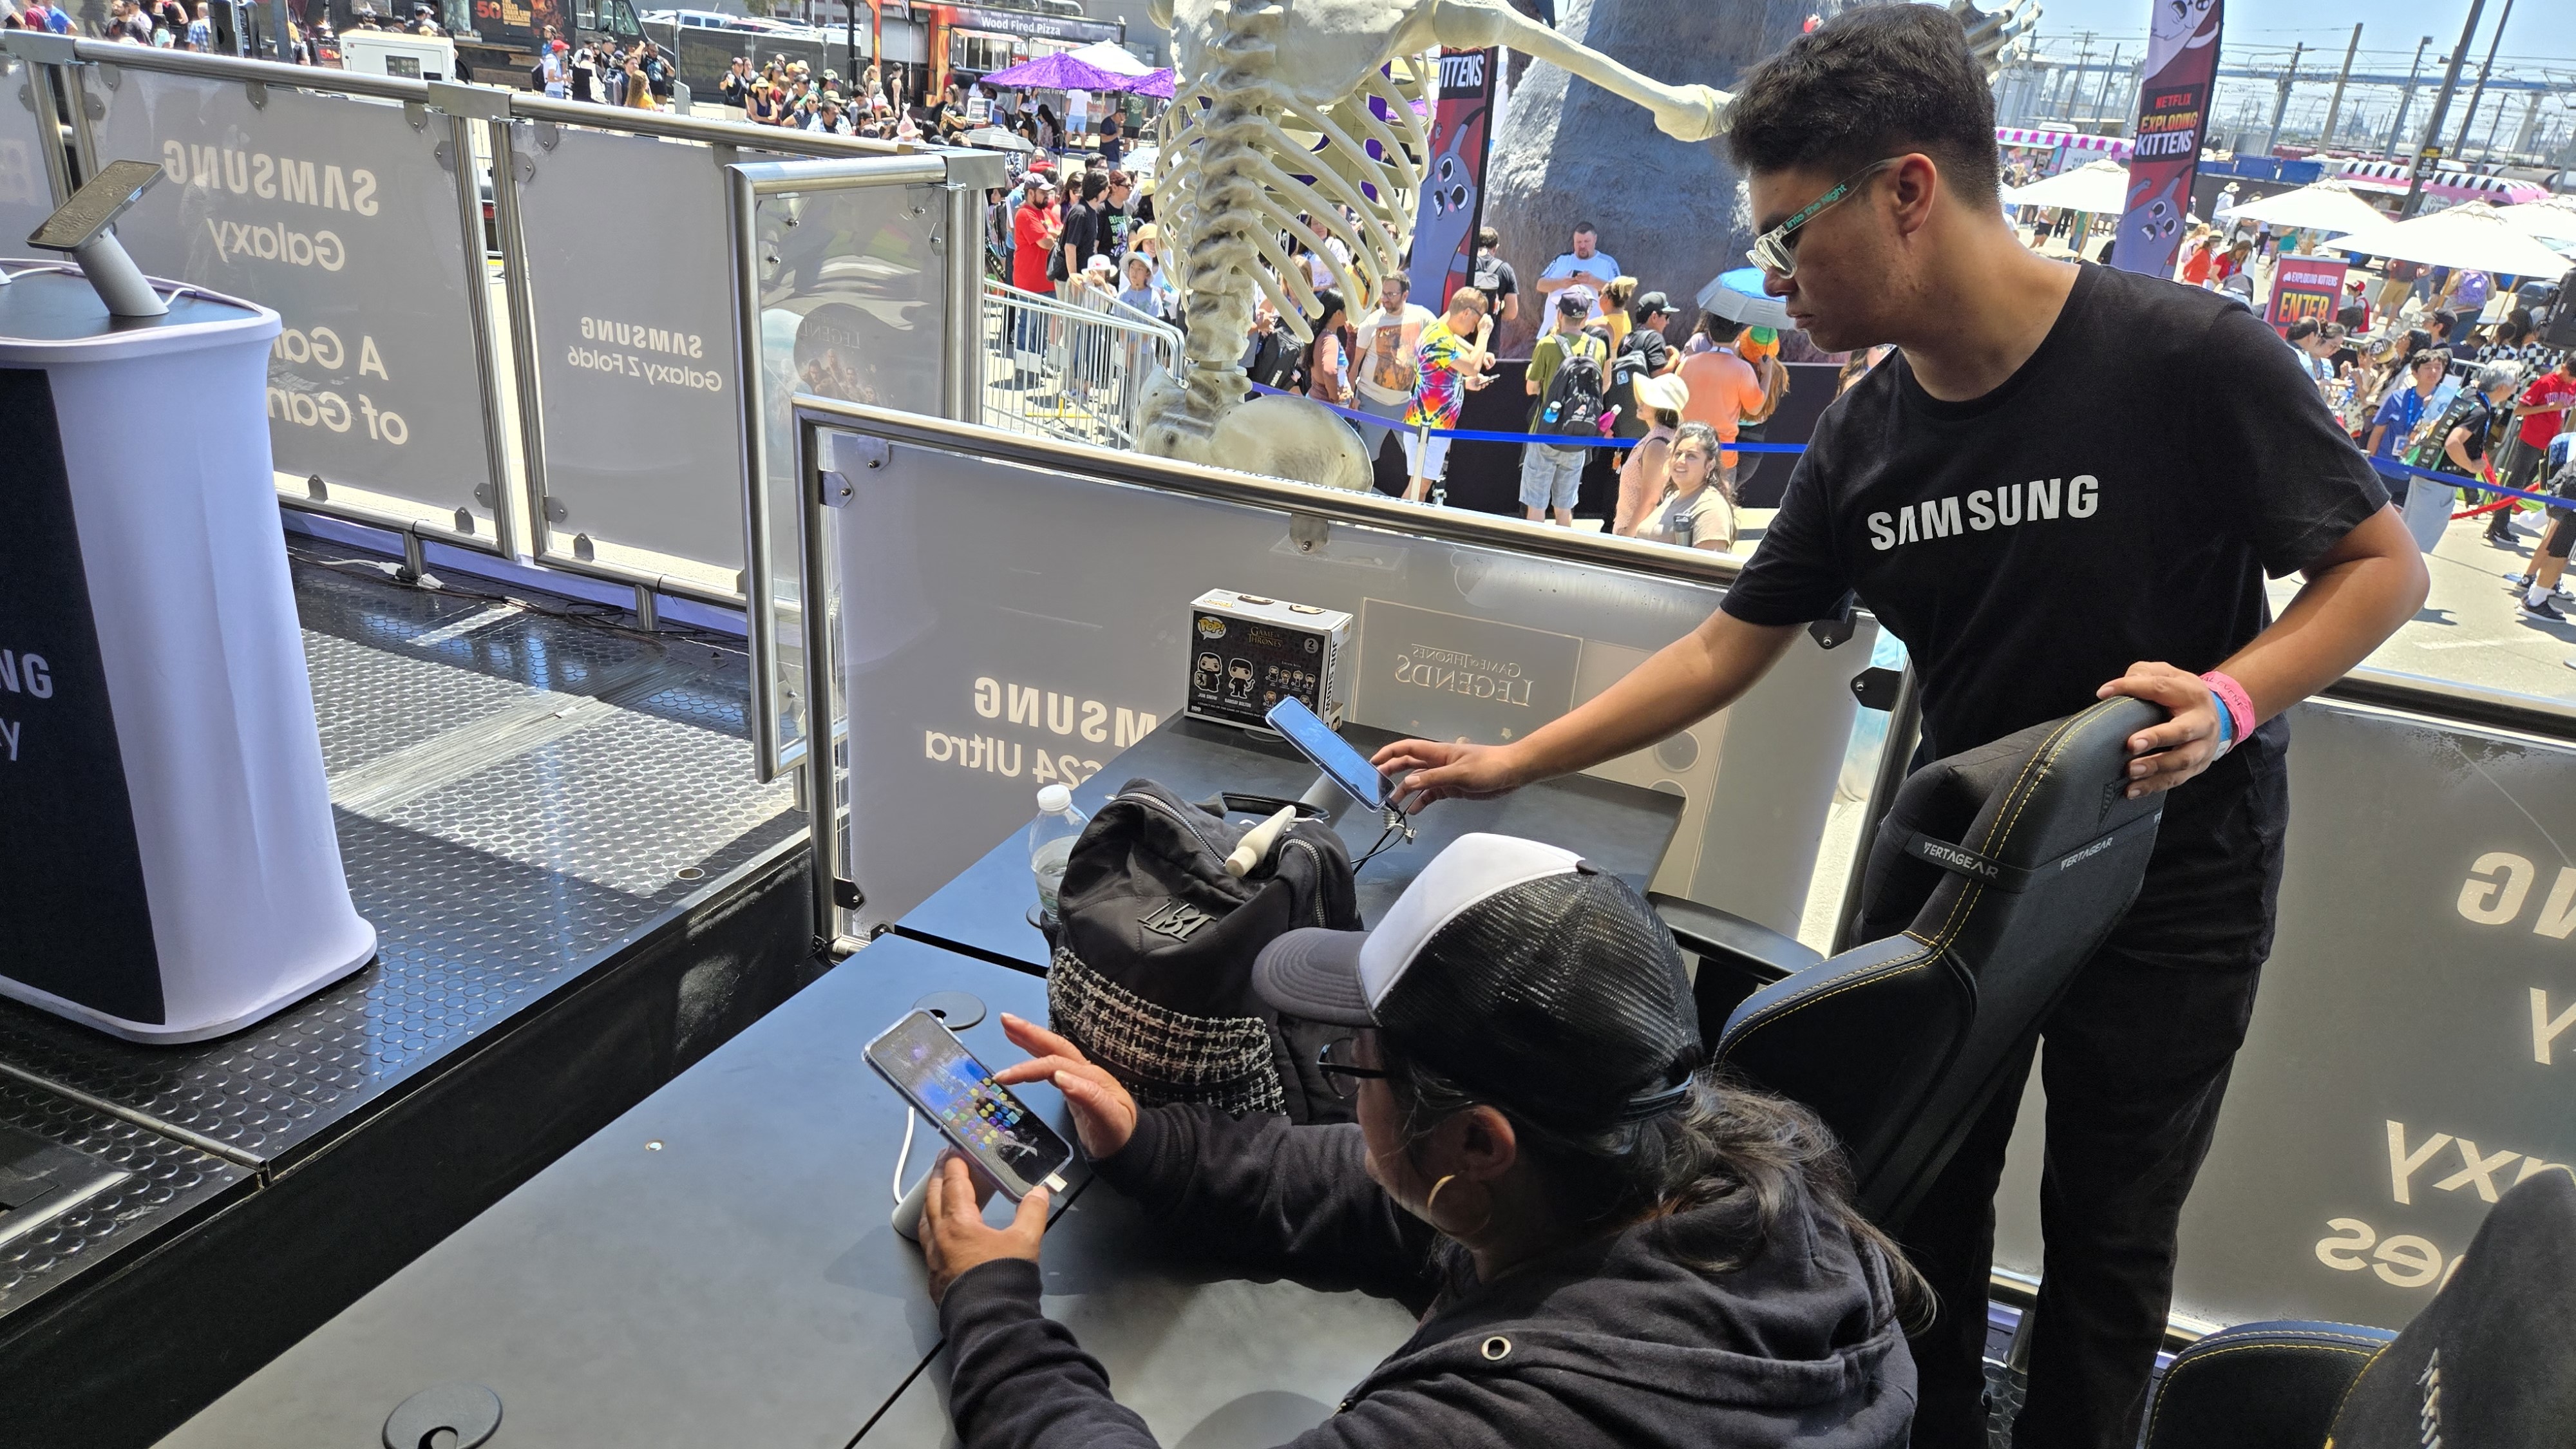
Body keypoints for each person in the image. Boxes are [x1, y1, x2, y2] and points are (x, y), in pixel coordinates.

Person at [1371, 10, 2426, 1448]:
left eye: (1790, 236)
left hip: (2180, 872)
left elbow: (2378, 566)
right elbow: (1715, 649)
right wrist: (1508, 763)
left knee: (2110, 1240)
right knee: (1910, 1199)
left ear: (1905, 192)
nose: (1772, 279)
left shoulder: (2185, 356)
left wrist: (2233, 695)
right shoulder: (1860, 439)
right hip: (1970, 890)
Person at [918, 835, 1924, 1449]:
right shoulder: (1711, 1187)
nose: (1349, 1093)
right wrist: (1152, 1142)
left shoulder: (1507, 1421)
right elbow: (1372, 1180)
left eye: (1357, 1064)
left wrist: (993, 1308)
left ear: (1480, 1142)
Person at [1520, 289, 1607, 526]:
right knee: (1564, 506)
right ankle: (1561, 556)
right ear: (1586, 316)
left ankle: (1533, 556)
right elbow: (1604, 385)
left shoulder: (1547, 344)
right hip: (1579, 435)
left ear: (1559, 314)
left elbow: (1531, 388)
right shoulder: (1598, 347)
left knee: (1536, 504)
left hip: (1545, 433)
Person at [1403, 287, 1494, 502]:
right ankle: (1398, 530)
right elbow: (1472, 366)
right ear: (1466, 313)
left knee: (1420, 487)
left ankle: (1405, 530)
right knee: (1419, 487)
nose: (1473, 329)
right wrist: (1485, 333)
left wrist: (1463, 384)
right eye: (1474, 323)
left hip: (1432, 426)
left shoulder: (1440, 332)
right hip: (1427, 427)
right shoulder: (1439, 338)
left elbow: (1438, 376)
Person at [1676, 316, 1778, 492]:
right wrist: (1767, 373)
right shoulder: (1742, 370)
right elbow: (1755, 409)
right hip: (1722, 457)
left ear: (1709, 332)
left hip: (1686, 452)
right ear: (1739, 336)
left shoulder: (1686, 364)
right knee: (1718, 515)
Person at [1352, 274, 1437, 469]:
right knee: (1363, 461)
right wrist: (1351, 398)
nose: (1385, 299)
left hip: (1404, 405)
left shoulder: (1421, 317)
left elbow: (1444, 336)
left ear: (1405, 295)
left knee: (1419, 459)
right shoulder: (1372, 322)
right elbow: (1355, 362)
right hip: (1371, 402)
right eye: (1383, 293)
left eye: (1391, 294)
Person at [2493, 353, 2576, 548]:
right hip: (2531, 439)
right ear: (2563, 368)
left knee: (2532, 483)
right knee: (2517, 480)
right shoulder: (2545, 383)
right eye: (2570, 375)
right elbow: (2519, 410)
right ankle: (2498, 524)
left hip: (2551, 442)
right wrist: (2549, 407)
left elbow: (2564, 410)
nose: (2572, 380)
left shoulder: (2572, 386)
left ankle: (2504, 519)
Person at [1633, 421, 1737, 552]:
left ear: (1709, 465)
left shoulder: (1712, 508)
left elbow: (1708, 568)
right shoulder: (1673, 496)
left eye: (1691, 456)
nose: (1681, 461)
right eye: (1678, 454)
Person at [2365, 347, 2448, 508]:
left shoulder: (2445, 403)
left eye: (2438, 368)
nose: (2433, 372)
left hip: (2416, 476)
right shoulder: (2397, 398)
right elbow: (2378, 432)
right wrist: (2370, 465)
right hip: (2385, 468)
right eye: (2427, 367)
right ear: (2415, 372)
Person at [1614, 373, 1690, 536]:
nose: (1640, 402)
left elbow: (1650, 500)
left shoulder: (1658, 443)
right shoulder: (1659, 438)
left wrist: (1628, 535)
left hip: (1639, 538)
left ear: (1662, 407)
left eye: (1648, 398)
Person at [1606, 290, 1678, 442]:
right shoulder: (1654, 337)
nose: (1668, 322)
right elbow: (1658, 374)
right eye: (1666, 316)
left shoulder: (1627, 338)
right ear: (1654, 316)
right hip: (1646, 418)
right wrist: (1675, 358)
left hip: (1626, 417)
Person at [1533, 223, 1620, 325]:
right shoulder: (1562, 259)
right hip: (1553, 329)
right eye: (1579, 242)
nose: (1582, 246)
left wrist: (1594, 282)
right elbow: (1540, 285)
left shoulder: (1608, 263)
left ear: (1595, 239)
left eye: (1587, 241)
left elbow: (1619, 294)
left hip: (1589, 331)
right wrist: (1561, 283)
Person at [1303, 288, 1355, 408]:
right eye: (1346, 311)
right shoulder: (1330, 339)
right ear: (1338, 313)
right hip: (1327, 410)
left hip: (1318, 404)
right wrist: (1335, 398)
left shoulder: (1320, 334)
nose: (1348, 315)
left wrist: (1352, 336)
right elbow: (1330, 371)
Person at [1470, 226, 1518, 323]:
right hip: (1489, 332)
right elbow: (1512, 313)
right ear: (1495, 248)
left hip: (1461, 333)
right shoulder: (1505, 269)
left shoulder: (1466, 264)